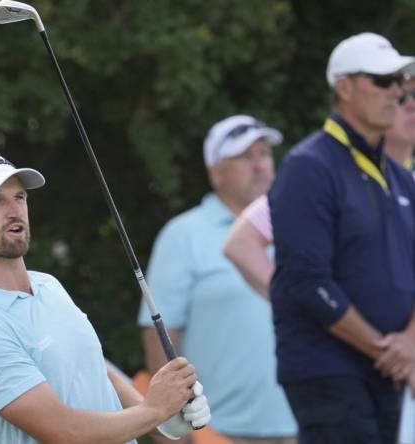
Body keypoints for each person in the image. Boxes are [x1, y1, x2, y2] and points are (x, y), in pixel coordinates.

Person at [0, 150, 211, 444]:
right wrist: (154, 411)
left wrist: (165, 420)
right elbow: (65, 432)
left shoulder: (48, 286)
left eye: (19, 197)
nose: (14, 210)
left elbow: (99, 374)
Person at [268, 32, 415, 443]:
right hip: (327, 369)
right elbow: (308, 281)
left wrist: (409, 341)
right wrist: (388, 351)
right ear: (344, 86)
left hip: (389, 372)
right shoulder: (307, 168)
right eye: (383, 81)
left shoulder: (401, 178)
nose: (398, 92)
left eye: (400, 81)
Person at [138, 115, 297, 443]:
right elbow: (161, 335)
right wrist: (173, 426)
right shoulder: (182, 235)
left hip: (306, 424)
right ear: (215, 171)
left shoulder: (302, 227)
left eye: (264, 154)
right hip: (219, 433)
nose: (259, 165)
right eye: (244, 157)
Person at [223, 75, 415, 299]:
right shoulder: (327, 174)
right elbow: (240, 243)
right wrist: (307, 307)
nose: (411, 105)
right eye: (402, 97)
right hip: (354, 331)